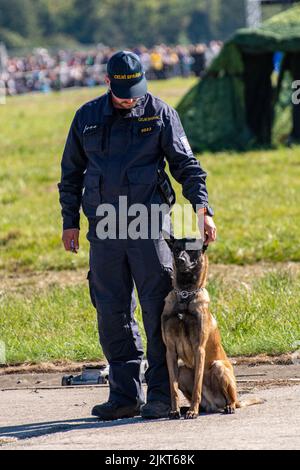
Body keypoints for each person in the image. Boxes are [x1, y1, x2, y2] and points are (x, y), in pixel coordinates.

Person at [58, 50, 216, 421]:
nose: (131, 97)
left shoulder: (160, 113)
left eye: (136, 89)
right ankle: (124, 395)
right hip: (105, 228)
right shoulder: (86, 118)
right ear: (108, 82)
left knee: (156, 309)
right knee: (112, 310)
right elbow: (71, 174)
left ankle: (161, 396)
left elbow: (187, 166)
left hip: (148, 224)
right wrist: (70, 222)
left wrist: (202, 209)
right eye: (124, 90)